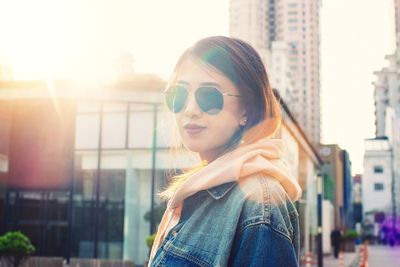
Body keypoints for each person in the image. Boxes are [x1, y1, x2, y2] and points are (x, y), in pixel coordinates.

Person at [148, 36, 301, 267]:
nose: (190, 110)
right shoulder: (197, 189)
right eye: (178, 95)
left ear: (246, 111)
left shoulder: (259, 204)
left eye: (209, 96)